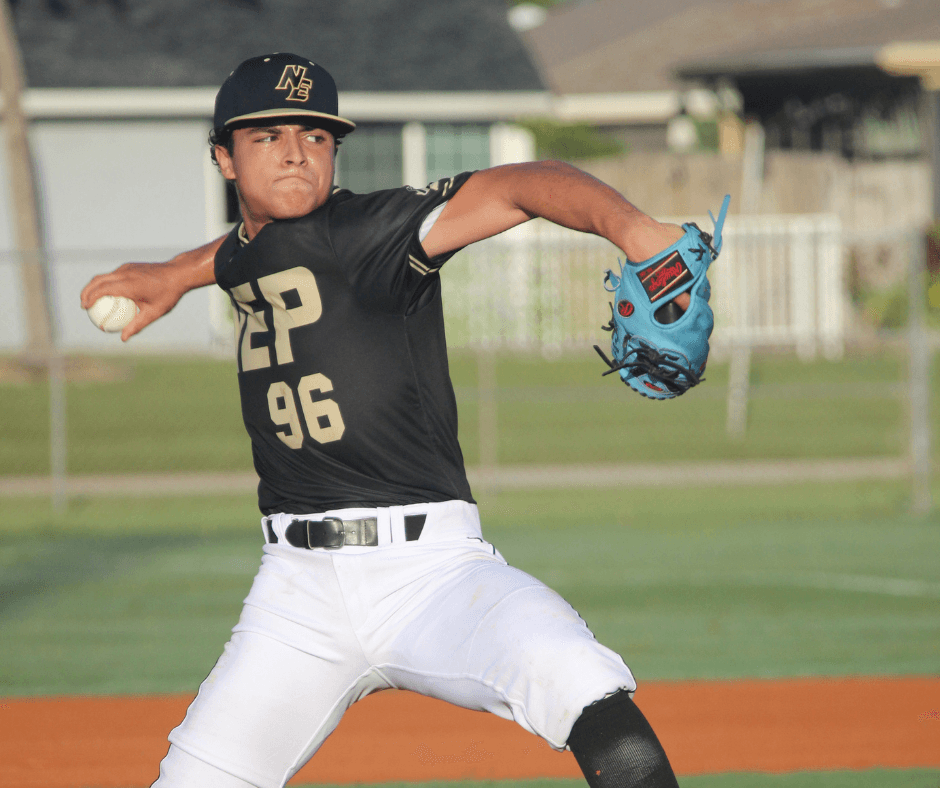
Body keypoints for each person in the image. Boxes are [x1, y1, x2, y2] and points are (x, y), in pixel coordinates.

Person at [82, 53, 687, 788]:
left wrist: (634, 230)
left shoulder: (372, 231)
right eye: (267, 136)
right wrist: (174, 274)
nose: (296, 152)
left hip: (431, 573)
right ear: (223, 158)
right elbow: (245, 250)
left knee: (583, 687)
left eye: (315, 134)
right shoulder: (247, 251)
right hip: (295, 595)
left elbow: (523, 185)